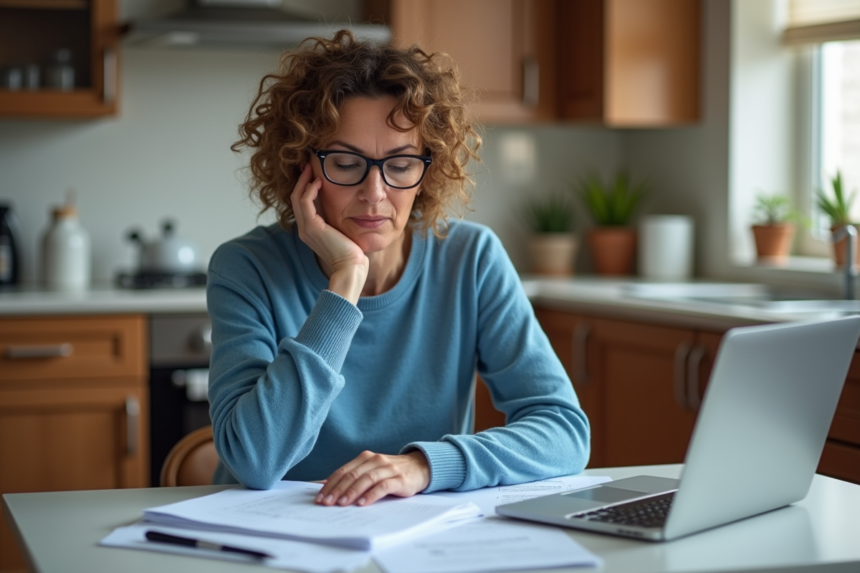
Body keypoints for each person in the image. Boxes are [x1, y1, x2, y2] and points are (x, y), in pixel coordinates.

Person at [207, 30, 590, 507]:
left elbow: (564, 433)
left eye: (401, 163)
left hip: (414, 537)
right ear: (303, 167)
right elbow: (254, 461)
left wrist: (425, 466)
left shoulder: (471, 259)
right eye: (346, 163)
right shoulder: (246, 267)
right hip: (270, 535)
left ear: (428, 170)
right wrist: (345, 280)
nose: (374, 192)